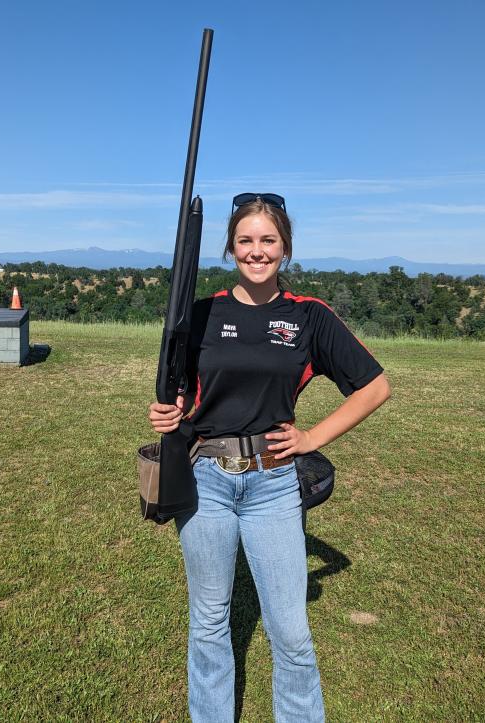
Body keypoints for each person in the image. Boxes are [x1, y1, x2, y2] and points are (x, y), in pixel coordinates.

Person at [148, 193, 391, 722]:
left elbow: (374, 387)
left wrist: (311, 439)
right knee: (209, 623)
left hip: (274, 483)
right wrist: (170, 414)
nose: (256, 251)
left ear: (285, 248)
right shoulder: (201, 313)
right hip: (205, 479)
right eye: (245, 241)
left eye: (268, 240)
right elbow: (182, 394)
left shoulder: (309, 317)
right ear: (230, 247)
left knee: (291, 632)